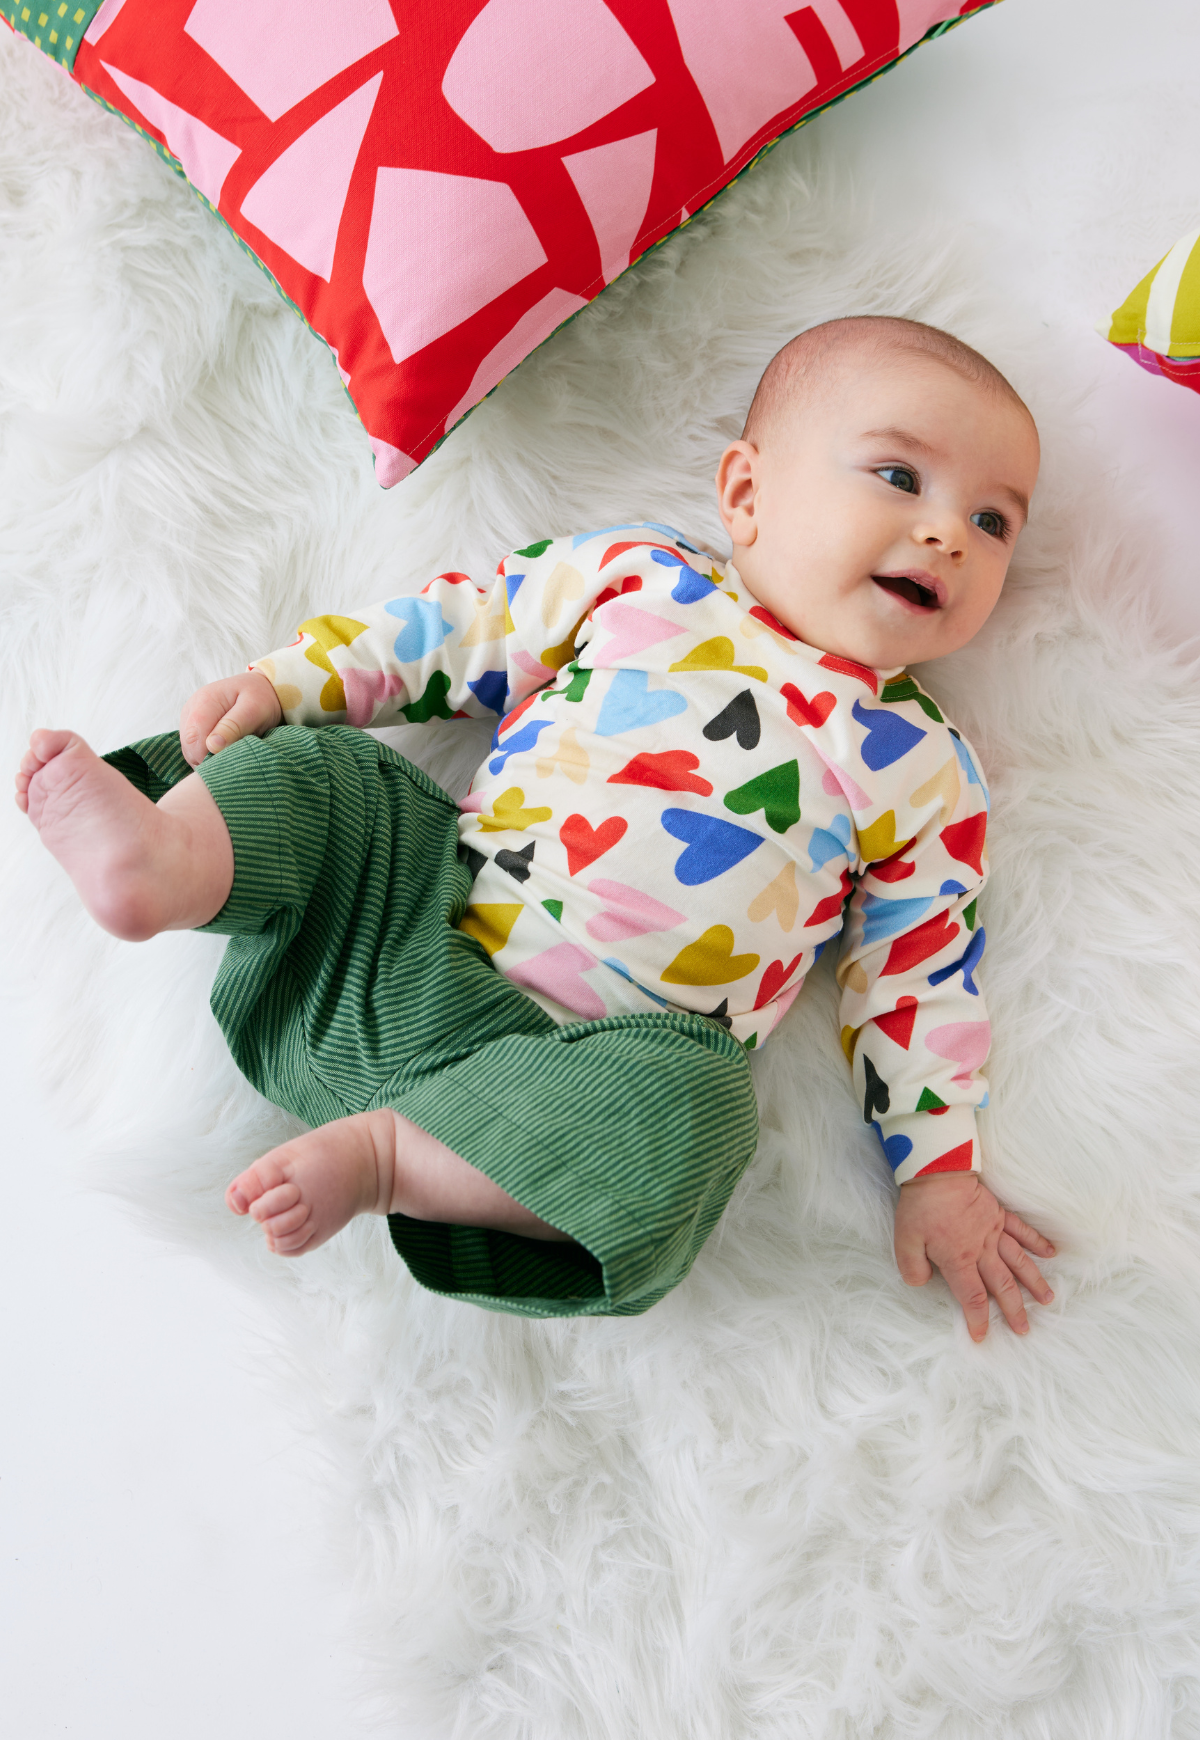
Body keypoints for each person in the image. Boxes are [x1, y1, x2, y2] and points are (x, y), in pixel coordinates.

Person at [15, 315, 1056, 1335]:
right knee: (332, 775)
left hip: (586, 1080)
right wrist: (291, 681)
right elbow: (460, 631)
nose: (946, 535)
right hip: (408, 936)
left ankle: (390, 1162)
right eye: (901, 477)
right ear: (746, 492)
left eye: (993, 522)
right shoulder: (643, 580)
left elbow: (918, 973)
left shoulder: (923, 768)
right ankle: (161, 859)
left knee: (704, 1118)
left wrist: (939, 1169)